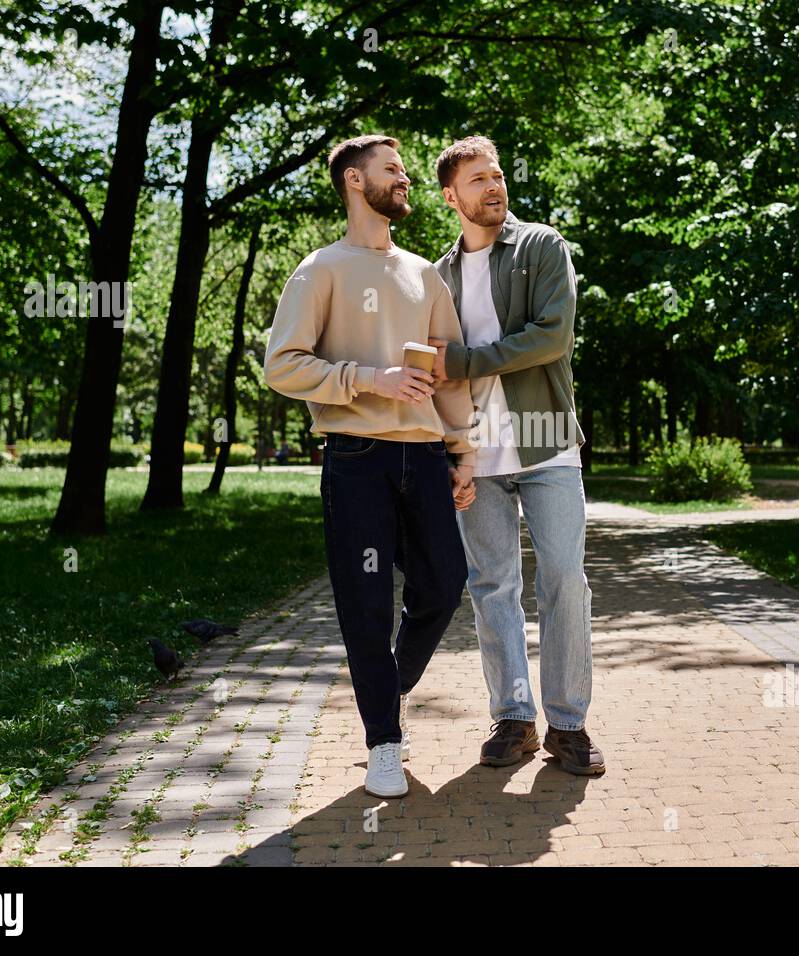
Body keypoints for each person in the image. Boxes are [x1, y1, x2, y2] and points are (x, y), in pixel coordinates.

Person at [264, 134, 478, 798]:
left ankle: (387, 688)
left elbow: (448, 372)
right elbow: (283, 366)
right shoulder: (320, 269)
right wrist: (368, 379)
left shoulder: (425, 274)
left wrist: (462, 451)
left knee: (445, 583)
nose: (404, 177)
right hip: (355, 458)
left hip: (422, 453)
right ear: (355, 182)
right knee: (365, 603)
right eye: (391, 169)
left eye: (405, 169)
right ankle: (384, 738)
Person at [429, 136, 604, 776]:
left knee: (564, 580)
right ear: (452, 196)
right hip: (475, 456)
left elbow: (550, 338)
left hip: (547, 444)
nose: (494, 186)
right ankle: (514, 718)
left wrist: (468, 359)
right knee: (492, 587)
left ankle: (568, 726)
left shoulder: (541, 248)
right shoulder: (438, 277)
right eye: (478, 179)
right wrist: (452, 451)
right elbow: (436, 374)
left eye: (498, 175)